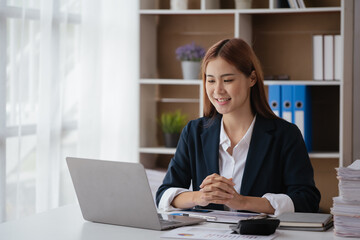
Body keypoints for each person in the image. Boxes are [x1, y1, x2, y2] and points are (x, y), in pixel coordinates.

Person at [156, 38, 320, 216]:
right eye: (210, 81)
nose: (218, 90)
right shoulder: (194, 132)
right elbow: (164, 194)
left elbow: (307, 200)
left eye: (227, 80)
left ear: (252, 78)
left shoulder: (285, 134)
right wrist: (200, 197)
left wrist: (242, 201)